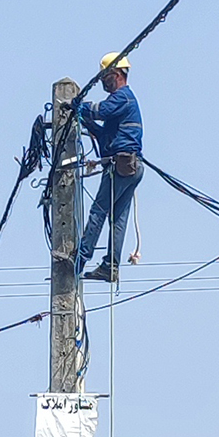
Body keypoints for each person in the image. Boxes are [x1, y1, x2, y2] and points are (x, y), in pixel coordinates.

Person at [76, 53, 144, 282]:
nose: (103, 83)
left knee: (99, 211)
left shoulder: (122, 97)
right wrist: (84, 120)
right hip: (130, 166)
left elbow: (101, 110)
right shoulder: (123, 102)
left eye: (105, 77)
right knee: (118, 218)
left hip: (121, 165)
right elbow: (105, 133)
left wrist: (79, 106)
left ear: (116, 74)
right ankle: (110, 266)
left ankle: (79, 259)